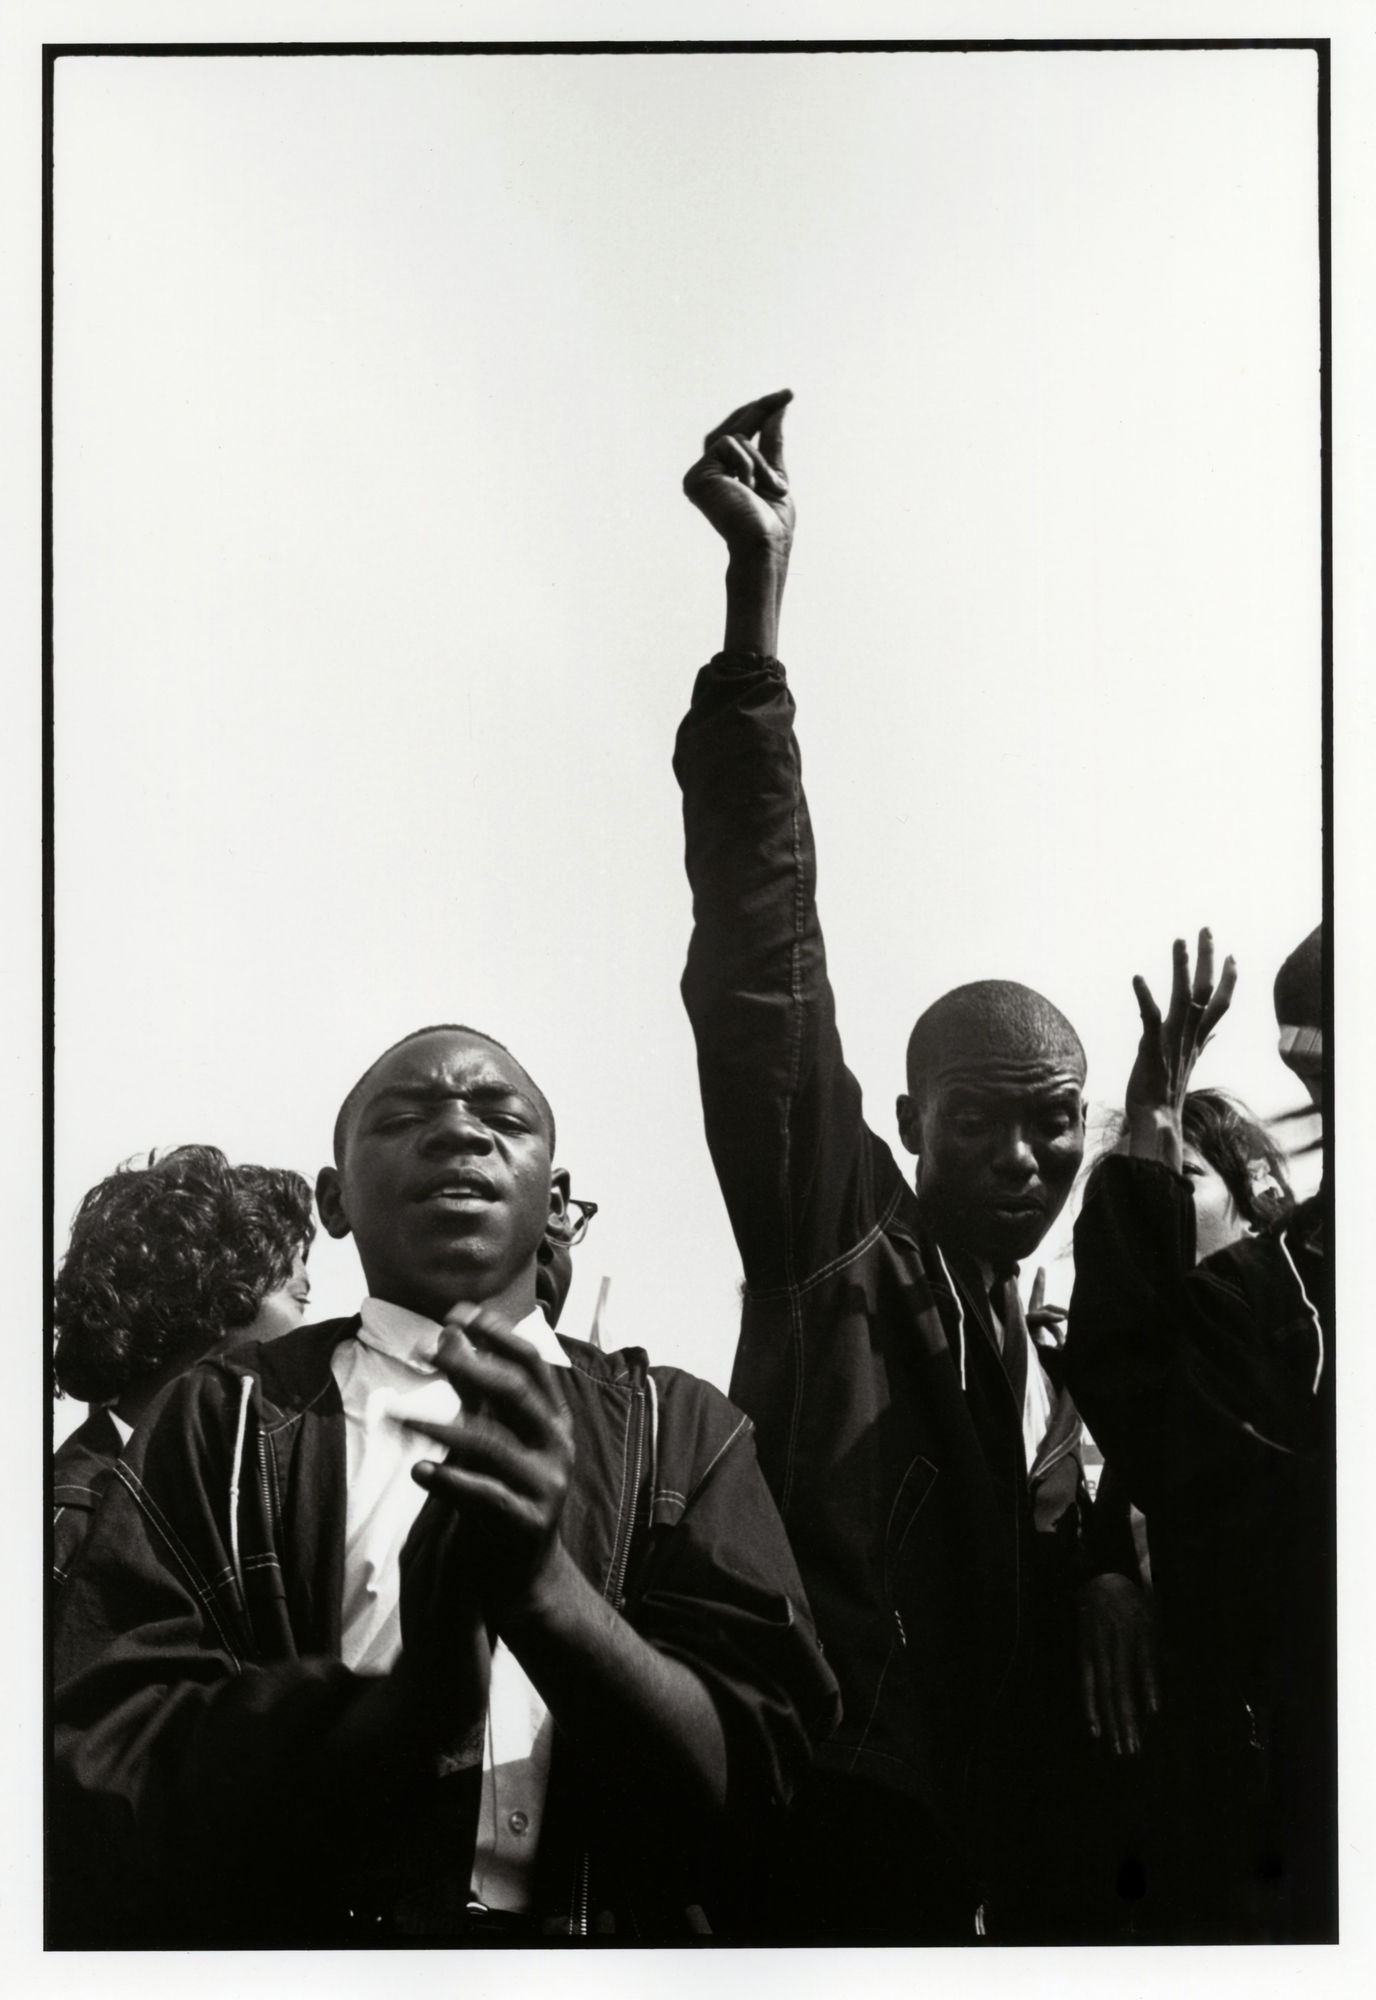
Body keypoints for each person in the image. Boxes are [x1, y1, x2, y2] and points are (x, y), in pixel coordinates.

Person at [52, 1024, 838, 1945]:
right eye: (407, 1115)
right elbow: (109, 1749)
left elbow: (760, 1772)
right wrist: (405, 1708)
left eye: (501, 1116)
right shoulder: (222, 1417)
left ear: (556, 1202)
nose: (461, 1133)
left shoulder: (685, 1430)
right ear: (334, 1202)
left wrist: (548, 1599)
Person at [674, 390, 1135, 1941]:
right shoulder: (842, 1247)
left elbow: (1083, 1508)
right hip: (827, 1824)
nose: (1024, 1155)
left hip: (993, 1858)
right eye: (982, 1121)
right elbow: (762, 969)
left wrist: (1118, 1560)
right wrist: (756, 627)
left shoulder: (1046, 1362)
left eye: (1053, 1119)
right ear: (909, 1125)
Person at [1066, 926, 1333, 1940]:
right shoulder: (1131, 1458)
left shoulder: (1293, 1305)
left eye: (1180, 1171)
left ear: (1259, 1194)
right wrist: (1102, 1570)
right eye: (1141, 1172)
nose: (1150, 1188)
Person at [51, 1145, 314, 1591]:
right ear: (215, 1307)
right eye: (299, 1299)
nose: (308, 1329)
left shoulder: (230, 1498)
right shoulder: (66, 1522)